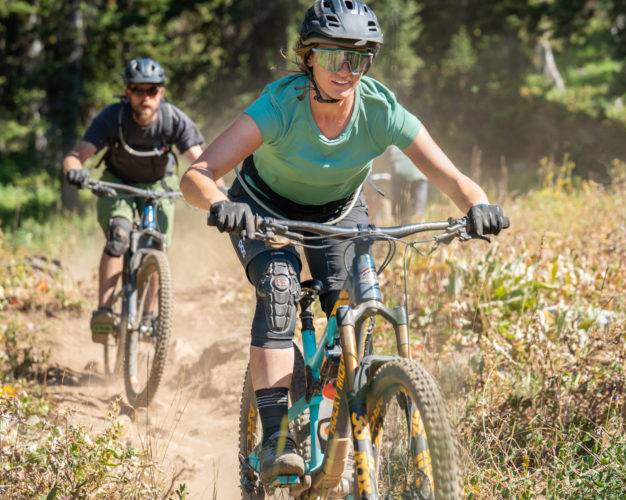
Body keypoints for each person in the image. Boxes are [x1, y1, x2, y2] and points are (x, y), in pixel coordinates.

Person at [180, 0, 507, 483]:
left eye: (358, 59)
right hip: (263, 208)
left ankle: (345, 420)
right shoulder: (279, 105)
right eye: (333, 57)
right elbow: (197, 175)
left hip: (339, 210)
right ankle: (276, 438)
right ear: (308, 57)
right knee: (280, 286)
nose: (345, 70)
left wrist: (478, 206)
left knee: (352, 305)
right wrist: (219, 205)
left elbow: (455, 179)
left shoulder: (380, 110)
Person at [63, 57, 213, 344]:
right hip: (118, 183)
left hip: (159, 185)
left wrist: (224, 193)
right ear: (127, 91)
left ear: (162, 92)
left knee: (156, 246)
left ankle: (149, 317)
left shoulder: (173, 119)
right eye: (138, 90)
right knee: (119, 237)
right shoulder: (112, 118)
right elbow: (77, 154)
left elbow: (203, 162)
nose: (145, 97)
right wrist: (75, 171)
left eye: (152, 91)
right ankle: (105, 312)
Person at [387, 144, 429, 222]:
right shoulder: (418, 136)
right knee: (419, 211)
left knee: (401, 210)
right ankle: (419, 221)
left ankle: (401, 221)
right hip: (420, 175)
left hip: (400, 174)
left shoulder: (392, 142)